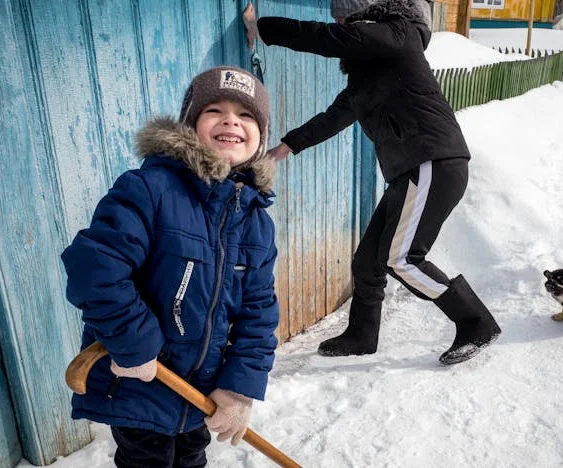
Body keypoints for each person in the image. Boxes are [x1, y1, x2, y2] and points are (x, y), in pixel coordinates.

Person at [243, 0, 501, 365]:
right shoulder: (373, 72)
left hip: (432, 162)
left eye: (343, 17)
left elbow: (326, 38)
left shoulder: (399, 36)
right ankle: (362, 334)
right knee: (368, 260)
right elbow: (334, 117)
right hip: (410, 171)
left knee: (403, 259)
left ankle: (476, 322)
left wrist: (262, 28)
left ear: (364, 14)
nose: (339, 23)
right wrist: (285, 147)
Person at [61, 66, 279, 468]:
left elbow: (259, 312)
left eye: (246, 115)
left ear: (261, 138)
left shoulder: (256, 223)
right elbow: (95, 268)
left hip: (199, 393)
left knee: (191, 460)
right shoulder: (150, 190)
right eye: (214, 110)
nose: (231, 121)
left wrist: (239, 388)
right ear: (190, 125)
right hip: (141, 383)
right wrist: (135, 343)